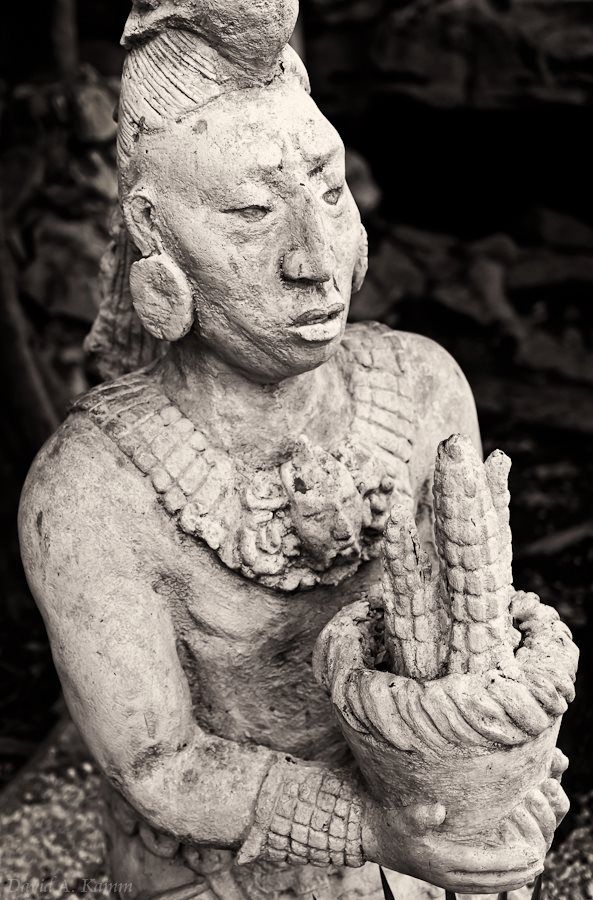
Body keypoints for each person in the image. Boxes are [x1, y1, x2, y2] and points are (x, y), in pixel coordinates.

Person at [18, 2, 568, 898]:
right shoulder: (93, 487)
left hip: (426, 825)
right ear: (155, 238)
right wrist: (374, 831)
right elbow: (156, 763)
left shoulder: (422, 385)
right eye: (249, 214)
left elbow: (477, 643)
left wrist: (506, 774)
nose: (314, 258)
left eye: (327, 187)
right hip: (218, 870)